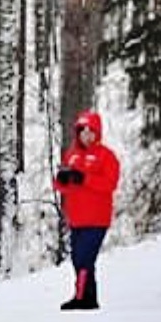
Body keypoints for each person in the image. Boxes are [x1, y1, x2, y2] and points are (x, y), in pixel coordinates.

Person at [53, 109, 121, 310]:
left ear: (98, 132)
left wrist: (85, 178)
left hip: (97, 218)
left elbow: (110, 183)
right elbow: (62, 187)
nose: (87, 135)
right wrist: (62, 180)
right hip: (76, 218)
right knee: (77, 259)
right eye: (83, 131)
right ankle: (89, 297)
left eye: (91, 131)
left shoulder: (106, 156)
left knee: (85, 257)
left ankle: (81, 297)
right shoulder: (71, 155)